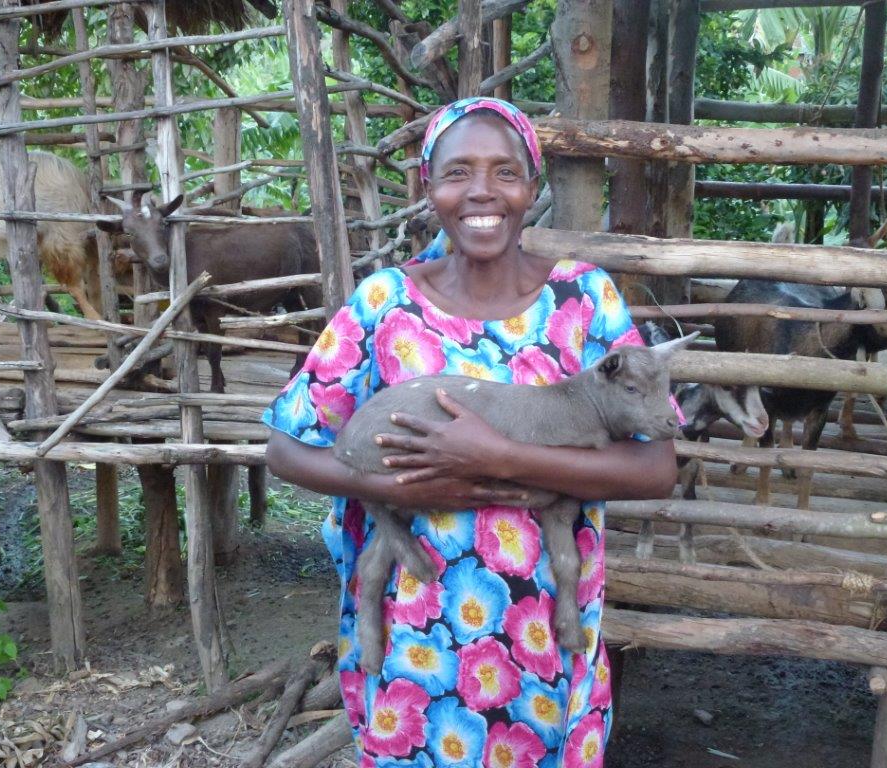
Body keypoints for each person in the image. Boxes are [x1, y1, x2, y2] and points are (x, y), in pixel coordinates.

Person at [263, 96, 678, 768]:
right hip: (417, 646)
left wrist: (502, 459)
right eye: (458, 173)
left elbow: (656, 469)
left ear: (532, 188)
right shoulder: (384, 304)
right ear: (428, 189)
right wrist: (418, 479)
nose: (482, 192)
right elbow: (286, 447)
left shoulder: (585, 299)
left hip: (549, 641)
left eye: (504, 173)